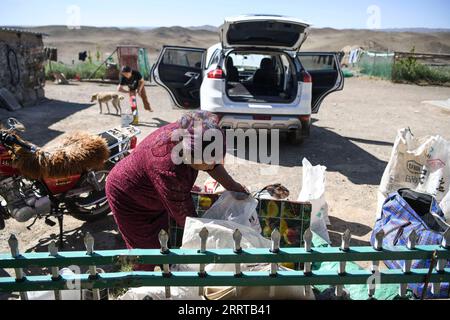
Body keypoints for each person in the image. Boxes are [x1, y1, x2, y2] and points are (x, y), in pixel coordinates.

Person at [106, 111, 248, 271]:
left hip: (156, 193)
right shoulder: (168, 169)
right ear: (188, 154)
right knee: (147, 251)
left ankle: (163, 269)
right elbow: (188, 220)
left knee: (163, 239)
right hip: (128, 197)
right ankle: (143, 285)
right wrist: (216, 239)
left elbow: (212, 165)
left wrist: (233, 187)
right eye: (206, 163)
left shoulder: (195, 132)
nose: (210, 167)